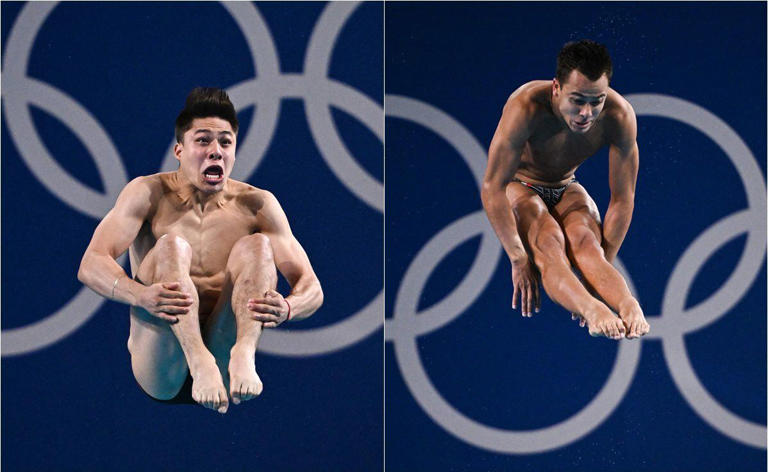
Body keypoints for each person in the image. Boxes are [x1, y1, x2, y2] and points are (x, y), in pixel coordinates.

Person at [78, 87, 323, 413]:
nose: (215, 151)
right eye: (203, 140)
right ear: (179, 150)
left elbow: (312, 288)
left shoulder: (256, 204)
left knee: (258, 247)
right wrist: (139, 294)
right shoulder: (147, 193)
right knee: (171, 247)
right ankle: (197, 358)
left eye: (225, 142)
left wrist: (288, 308)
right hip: (160, 362)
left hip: (223, 360)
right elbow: (91, 263)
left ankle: (244, 352)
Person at [481, 39, 649, 340]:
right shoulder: (526, 106)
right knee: (549, 241)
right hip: (520, 185)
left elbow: (623, 200)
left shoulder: (620, 116)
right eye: (578, 100)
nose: (587, 112)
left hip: (567, 184)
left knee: (586, 243)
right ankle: (592, 310)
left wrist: (598, 270)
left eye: (596, 101)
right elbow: (493, 186)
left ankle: (628, 304)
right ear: (557, 87)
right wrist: (518, 258)